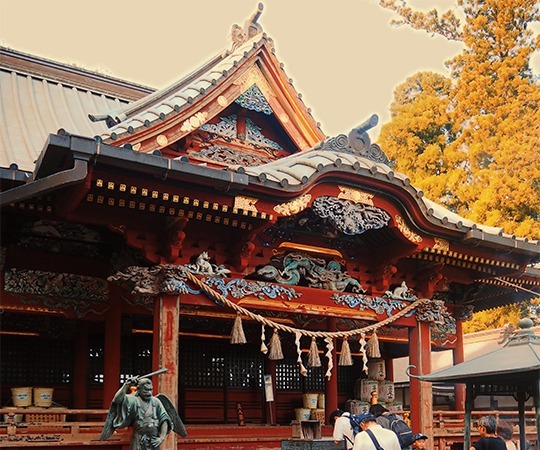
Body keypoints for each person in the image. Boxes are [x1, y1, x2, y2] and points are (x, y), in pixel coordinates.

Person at [101, 377, 173, 450]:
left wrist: (161, 438)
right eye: (146, 390)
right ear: (139, 389)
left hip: (153, 439)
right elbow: (117, 400)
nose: (149, 393)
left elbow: (164, 419)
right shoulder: (133, 400)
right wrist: (126, 385)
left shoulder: (156, 402)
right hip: (138, 439)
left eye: (150, 389)